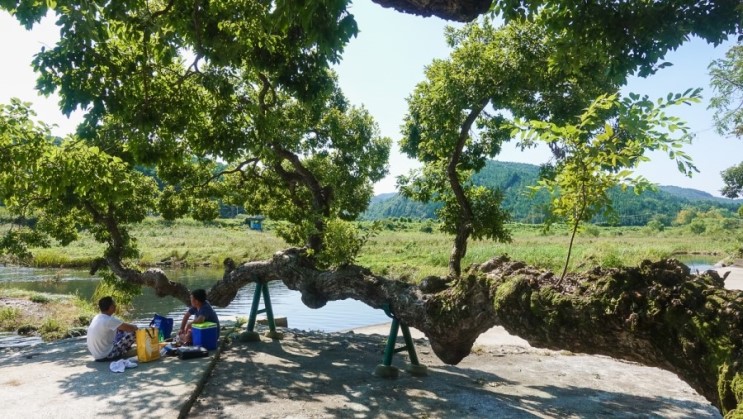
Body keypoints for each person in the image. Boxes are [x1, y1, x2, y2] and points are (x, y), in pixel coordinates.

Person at [86, 296, 139, 361]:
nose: (116, 306)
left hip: (97, 355)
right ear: (111, 307)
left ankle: (124, 348)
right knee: (134, 332)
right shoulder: (109, 320)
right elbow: (131, 328)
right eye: (114, 304)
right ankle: (125, 352)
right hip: (107, 355)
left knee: (120, 330)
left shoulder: (97, 317)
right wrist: (136, 327)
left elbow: (121, 327)